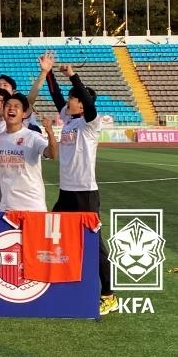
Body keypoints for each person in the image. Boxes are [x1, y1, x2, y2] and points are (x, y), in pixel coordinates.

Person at [43, 56, 116, 316]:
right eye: (73, 99)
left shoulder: (90, 123)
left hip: (85, 193)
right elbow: (56, 97)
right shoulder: (71, 120)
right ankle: (61, 281)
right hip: (66, 192)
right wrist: (49, 73)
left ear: (82, 105)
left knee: (94, 245)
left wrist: (73, 75)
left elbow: (86, 100)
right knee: (52, 234)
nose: (70, 102)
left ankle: (108, 294)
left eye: (75, 99)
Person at [0, 93, 57, 211]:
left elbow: (51, 154)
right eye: (8, 105)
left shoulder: (33, 136)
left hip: (32, 206)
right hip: (7, 207)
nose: (11, 108)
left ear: (24, 113)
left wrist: (50, 133)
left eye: (16, 106)